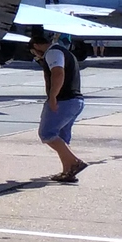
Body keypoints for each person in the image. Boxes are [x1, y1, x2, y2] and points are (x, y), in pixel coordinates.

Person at [30, 28, 87, 182]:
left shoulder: (53, 53)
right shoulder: (62, 50)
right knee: (62, 136)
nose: (36, 56)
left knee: (47, 133)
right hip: (75, 101)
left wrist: (53, 96)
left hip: (64, 100)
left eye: (34, 52)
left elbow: (58, 73)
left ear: (37, 45)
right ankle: (68, 171)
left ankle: (75, 162)